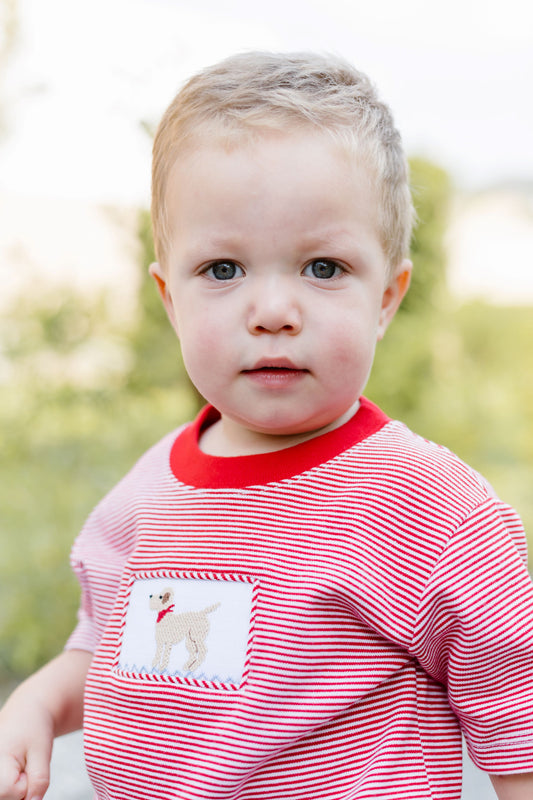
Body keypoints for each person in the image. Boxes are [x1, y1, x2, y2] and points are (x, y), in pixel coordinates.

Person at [0, 51, 532, 800]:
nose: (273, 310)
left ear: (387, 295)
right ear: (168, 297)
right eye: (222, 270)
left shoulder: (429, 509)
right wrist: (37, 703)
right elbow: (109, 647)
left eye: (322, 267)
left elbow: (517, 717)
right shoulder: (148, 490)